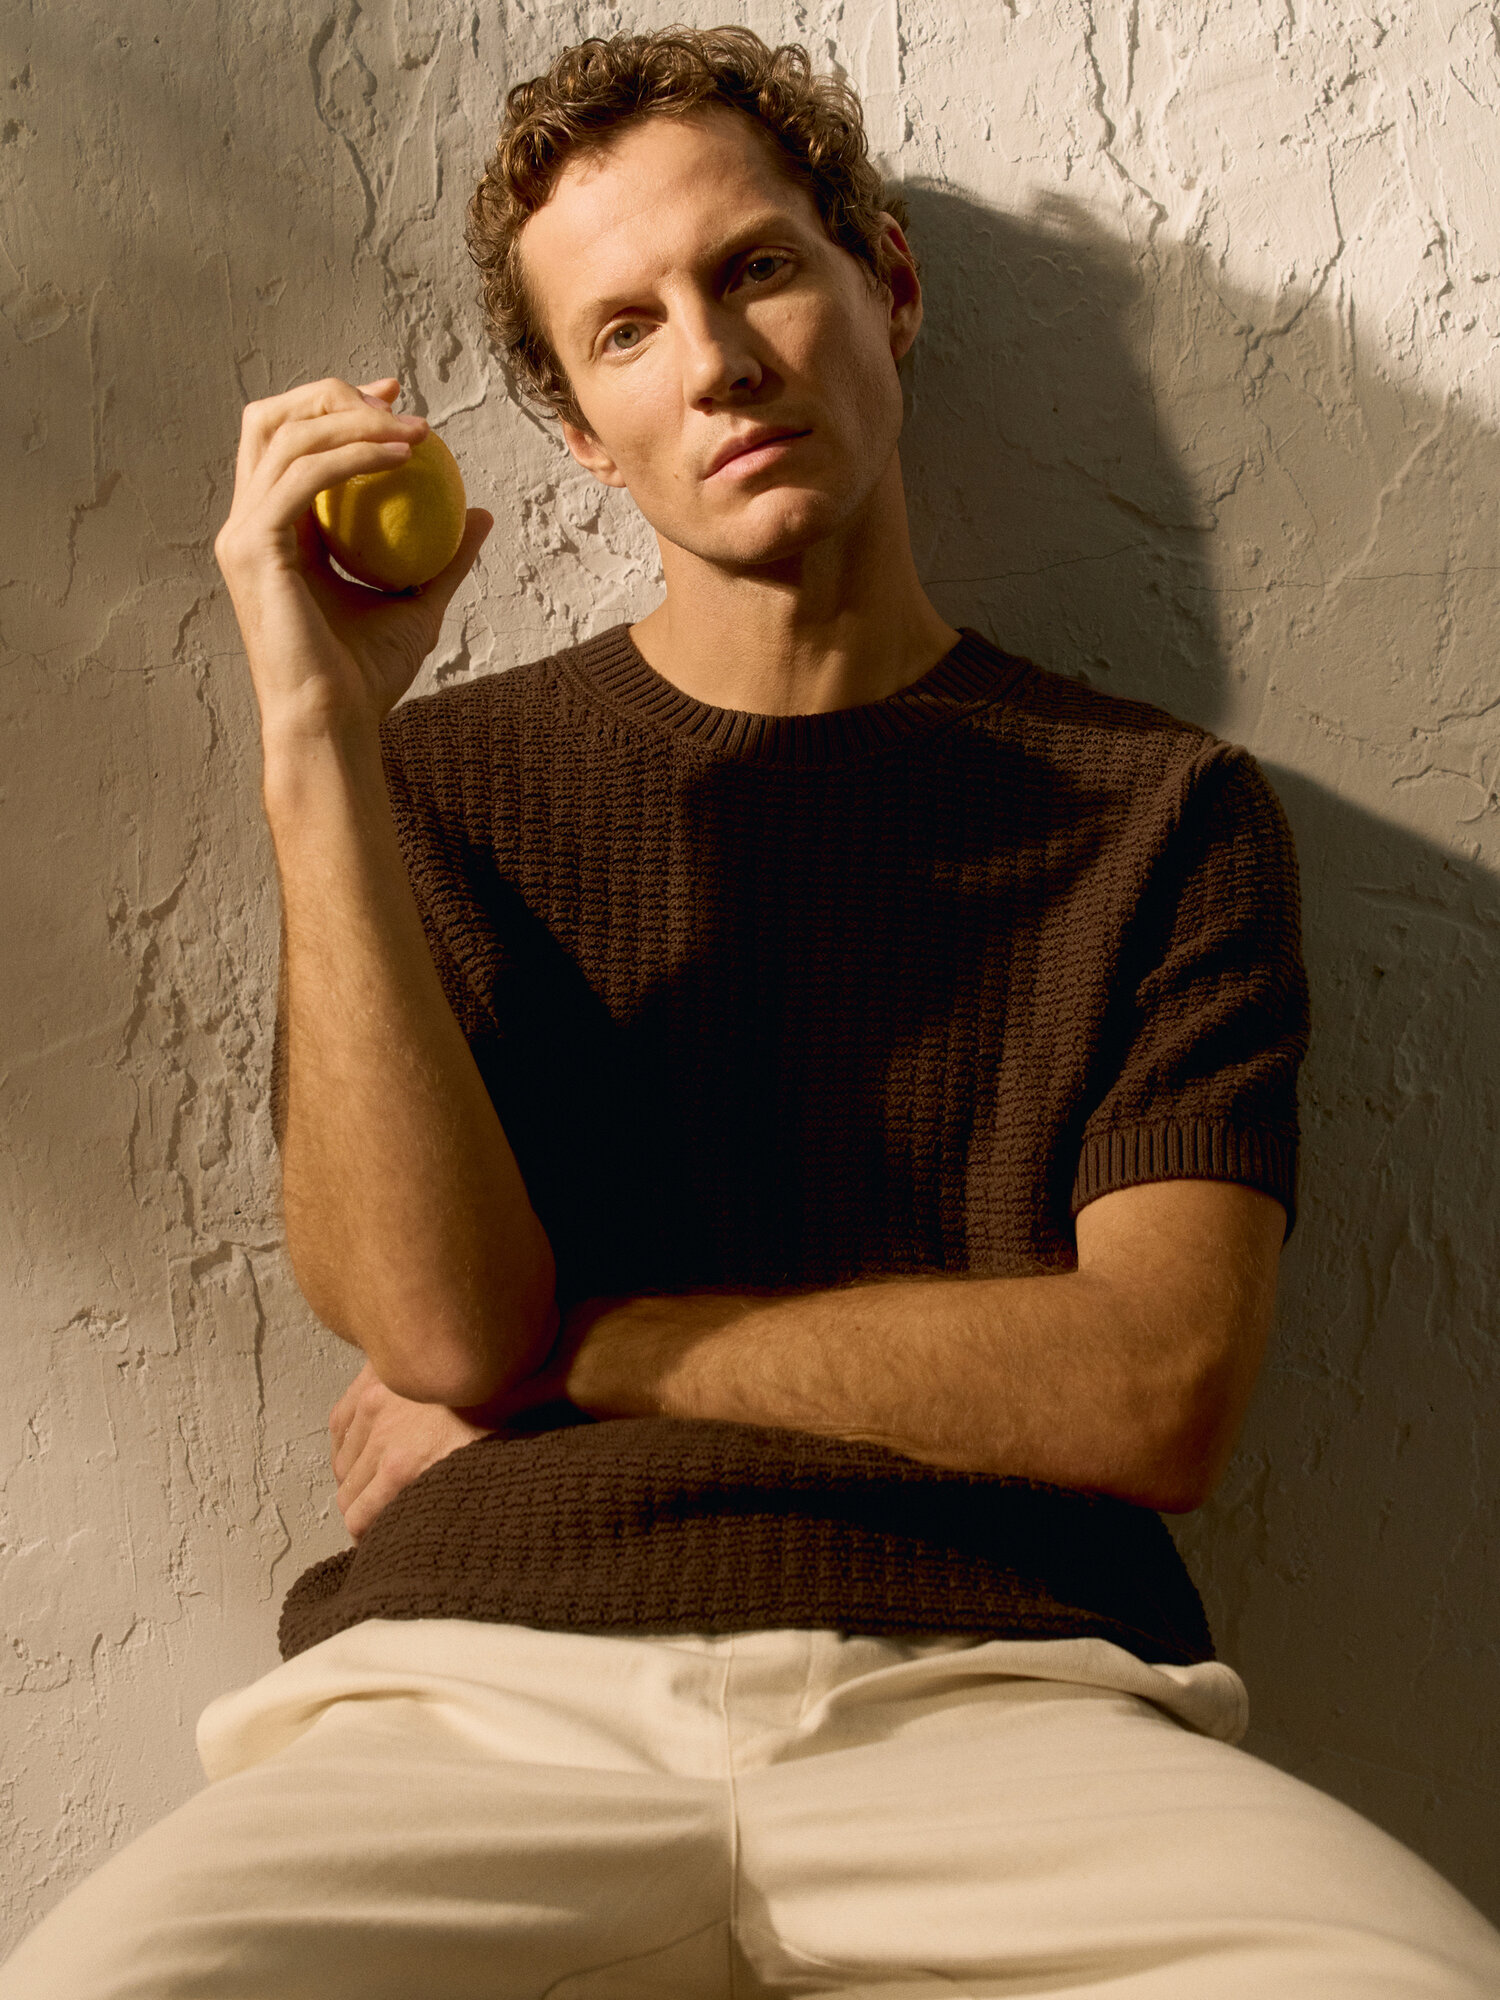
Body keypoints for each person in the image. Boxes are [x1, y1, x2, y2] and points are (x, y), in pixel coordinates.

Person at [5, 25, 1500, 1999]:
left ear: (888, 288)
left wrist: (591, 1347)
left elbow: (1152, 1391)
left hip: (1003, 1694)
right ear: (578, 432)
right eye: (625, 331)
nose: (712, 362)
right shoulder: (435, 791)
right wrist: (317, 740)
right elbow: (437, 1328)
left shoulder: (1164, 815)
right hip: (475, 1695)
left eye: (758, 270)